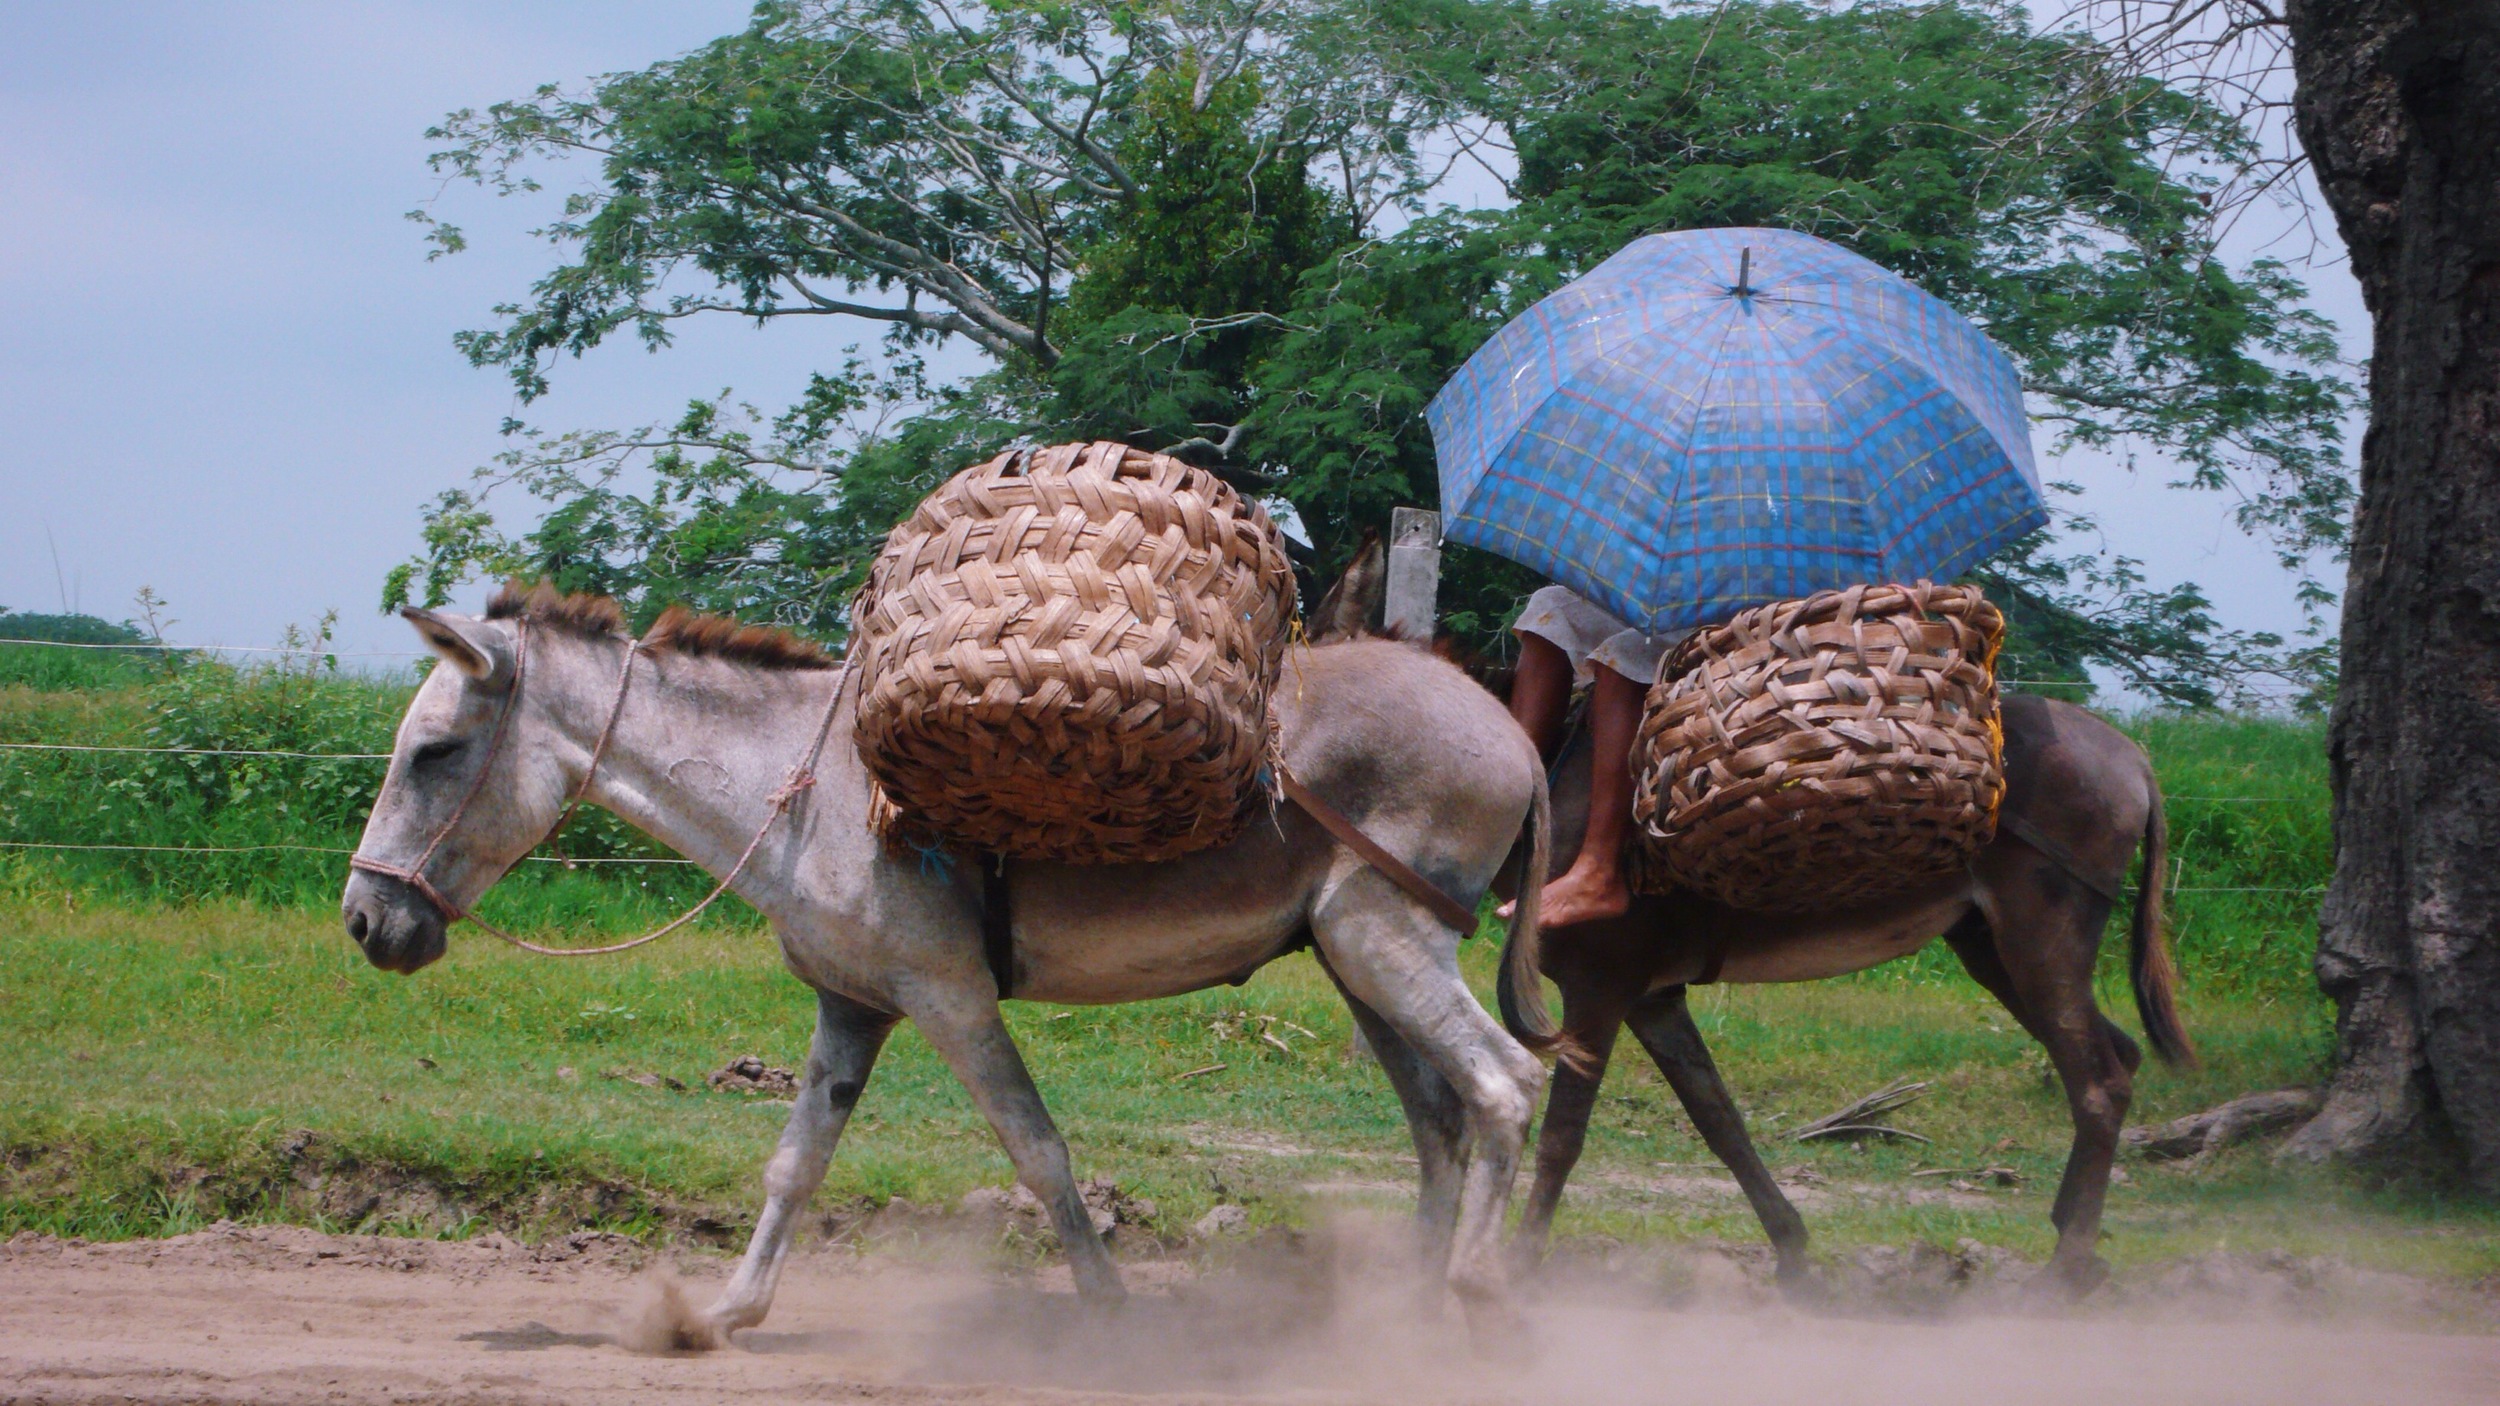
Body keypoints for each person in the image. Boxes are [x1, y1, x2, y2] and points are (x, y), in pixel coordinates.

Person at [1503, 584, 1690, 928]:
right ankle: (1509, 800)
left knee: (1627, 655)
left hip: (1752, 614)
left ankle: (1599, 871)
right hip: (1686, 602)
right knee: (1551, 609)